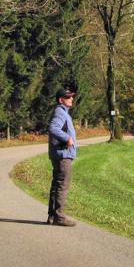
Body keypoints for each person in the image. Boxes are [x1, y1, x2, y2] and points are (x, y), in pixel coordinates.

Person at [47, 87, 77, 226]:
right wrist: (67, 138)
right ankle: (59, 217)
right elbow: (53, 128)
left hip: (59, 153)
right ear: (61, 100)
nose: (71, 99)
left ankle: (52, 216)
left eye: (72, 97)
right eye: (68, 97)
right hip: (63, 154)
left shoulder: (63, 112)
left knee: (57, 184)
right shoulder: (60, 112)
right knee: (62, 185)